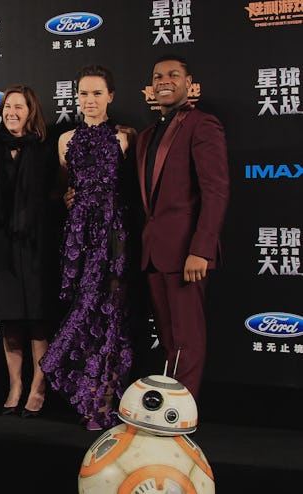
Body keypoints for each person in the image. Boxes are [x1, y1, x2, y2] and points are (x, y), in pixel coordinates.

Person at [40, 65, 136, 431]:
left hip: (114, 234)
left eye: (97, 93)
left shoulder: (125, 137)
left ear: (111, 96)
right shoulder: (65, 140)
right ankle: (85, 395)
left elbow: (133, 190)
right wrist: (68, 198)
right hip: (78, 235)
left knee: (110, 313)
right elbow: (61, 189)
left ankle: (104, 401)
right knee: (82, 308)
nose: (89, 100)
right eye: (83, 93)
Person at [135, 54, 229, 402]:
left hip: (187, 252)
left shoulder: (202, 125)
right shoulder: (147, 136)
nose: (164, 81)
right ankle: (170, 411)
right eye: (158, 76)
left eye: (173, 75)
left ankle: (181, 415)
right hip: (153, 253)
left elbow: (215, 191)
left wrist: (201, 249)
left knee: (187, 339)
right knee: (169, 340)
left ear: (189, 84)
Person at [0, 85, 59, 418]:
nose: (11, 112)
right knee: (9, 321)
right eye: (7, 106)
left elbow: (56, 197)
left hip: (38, 246)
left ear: (30, 111)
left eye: (18, 106)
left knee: (38, 321)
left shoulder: (46, 150)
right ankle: (15, 386)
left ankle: (38, 386)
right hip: (1, 247)